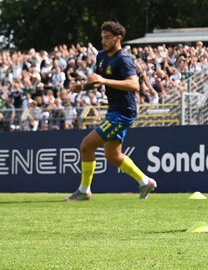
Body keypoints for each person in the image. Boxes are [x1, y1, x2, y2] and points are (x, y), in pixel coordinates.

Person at [64, 21, 158, 201]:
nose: (104, 41)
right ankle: (146, 181)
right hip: (114, 110)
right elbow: (98, 81)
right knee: (113, 156)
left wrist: (105, 81)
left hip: (123, 113)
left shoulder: (123, 58)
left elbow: (134, 84)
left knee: (86, 146)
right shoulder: (101, 56)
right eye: (102, 38)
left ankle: (84, 191)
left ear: (118, 38)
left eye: (107, 38)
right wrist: (82, 87)